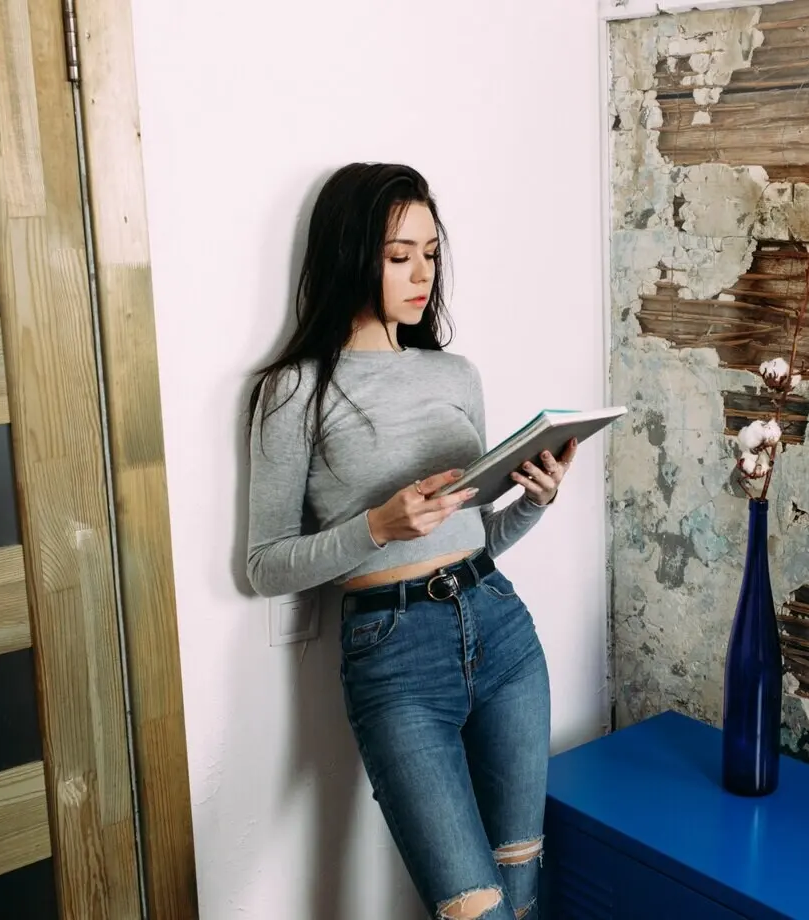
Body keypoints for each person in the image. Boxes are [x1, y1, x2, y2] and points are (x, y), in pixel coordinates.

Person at [244, 162, 576, 920]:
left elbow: (473, 536)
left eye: (430, 253)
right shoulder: (295, 389)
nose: (422, 274)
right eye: (399, 256)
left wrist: (535, 500)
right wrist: (377, 526)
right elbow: (265, 566)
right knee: (478, 911)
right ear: (350, 256)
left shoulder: (457, 374)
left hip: (502, 631)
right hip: (394, 655)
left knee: (524, 895)